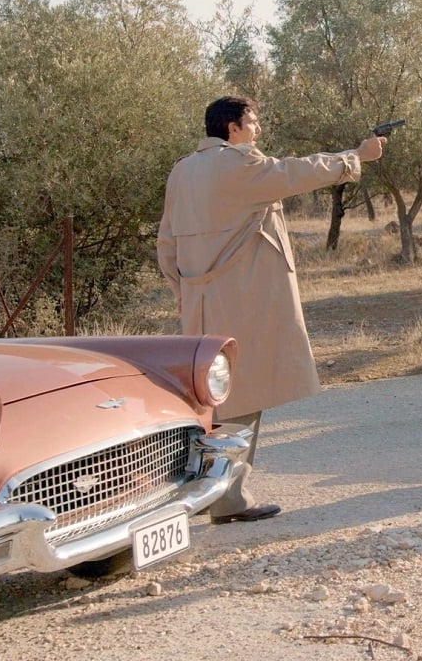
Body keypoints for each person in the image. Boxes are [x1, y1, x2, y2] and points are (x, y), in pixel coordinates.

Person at [157, 96, 385, 522]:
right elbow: (296, 172)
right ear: (232, 128)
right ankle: (228, 499)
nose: (257, 129)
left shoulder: (182, 170)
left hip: (200, 303)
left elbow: (166, 245)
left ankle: (200, 493)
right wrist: (356, 156)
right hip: (242, 301)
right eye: (253, 122)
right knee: (242, 398)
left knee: (208, 400)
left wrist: (186, 293)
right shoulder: (238, 165)